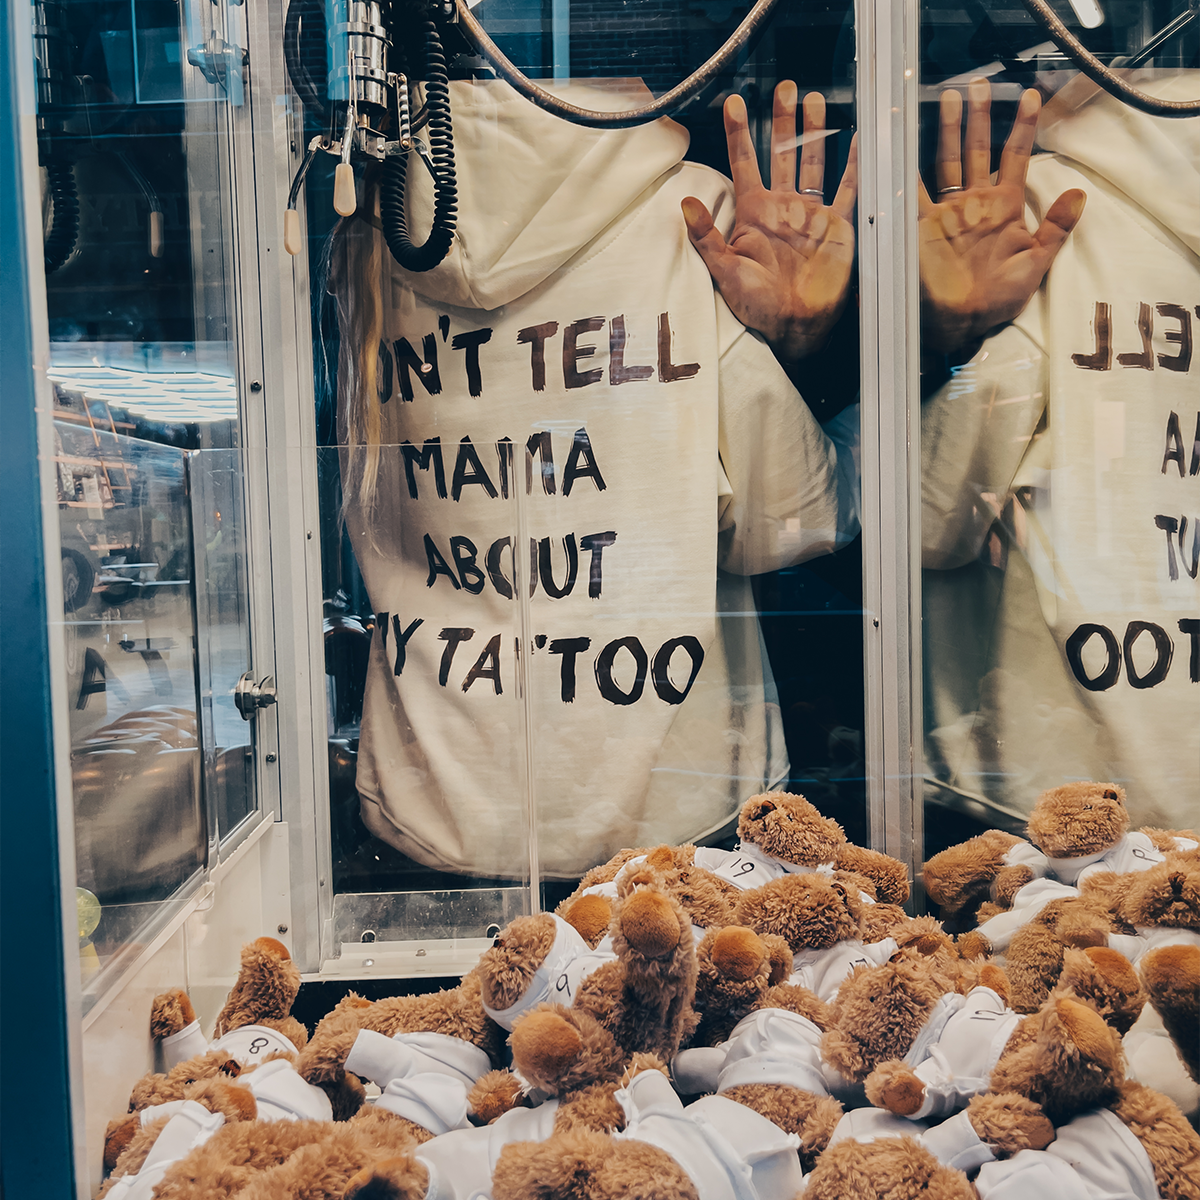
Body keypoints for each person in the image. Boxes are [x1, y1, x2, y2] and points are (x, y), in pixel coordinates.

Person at [330, 78, 862, 877]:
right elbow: (790, 517)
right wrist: (813, 362)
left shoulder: (372, 237)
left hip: (429, 807)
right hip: (681, 813)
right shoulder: (686, 218)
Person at [918, 71, 1199, 831]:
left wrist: (955, 340)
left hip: (1055, 794)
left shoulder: (1049, 215)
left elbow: (925, 523)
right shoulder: (1033, 220)